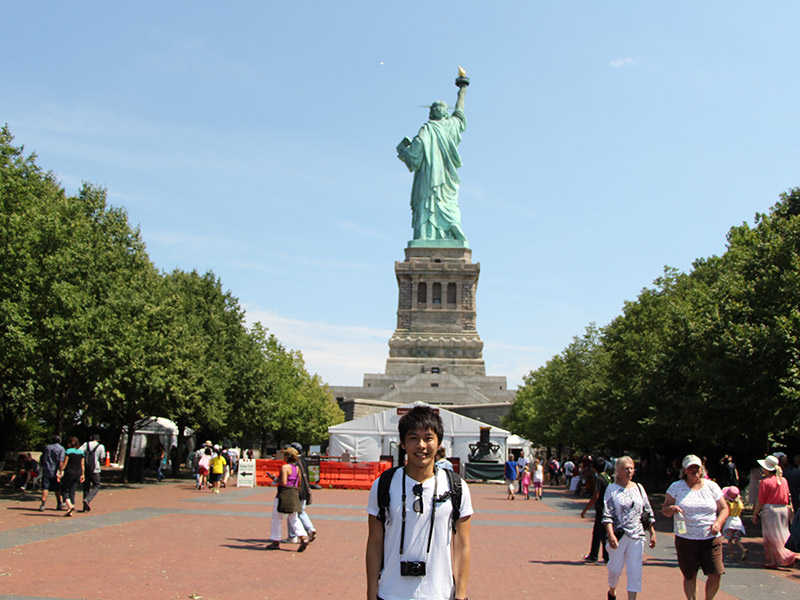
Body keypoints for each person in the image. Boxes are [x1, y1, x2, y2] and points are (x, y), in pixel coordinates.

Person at [366, 405, 472, 600]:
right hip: (391, 593)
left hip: (439, 593)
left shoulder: (457, 486)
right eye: (413, 438)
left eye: (428, 438)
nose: (421, 445)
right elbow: (374, 542)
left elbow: (463, 545)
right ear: (403, 444)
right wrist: (371, 593)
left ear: (439, 443)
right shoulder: (384, 485)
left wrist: (461, 594)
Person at [397, 76, 469, 242]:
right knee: (447, 204)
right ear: (445, 112)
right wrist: (462, 91)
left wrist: (403, 151)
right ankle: (451, 227)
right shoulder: (449, 126)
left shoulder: (427, 129)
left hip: (430, 178)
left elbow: (414, 156)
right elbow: (459, 112)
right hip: (443, 177)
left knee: (431, 201)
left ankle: (428, 234)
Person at [662, 454, 729, 600]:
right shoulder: (676, 487)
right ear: (684, 470)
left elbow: (724, 508)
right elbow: (665, 509)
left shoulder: (712, 486)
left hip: (710, 538)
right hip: (686, 538)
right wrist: (671, 509)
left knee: (716, 573)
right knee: (690, 575)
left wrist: (718, 523)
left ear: (702, 469)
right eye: (691, 468)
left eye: (697, 467)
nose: (695, 471)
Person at [602, 456, 656, 600]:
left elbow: (647, 510)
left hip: (637, 535)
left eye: (632, 468)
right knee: (615, 569)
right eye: (626, 468)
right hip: (619, 535)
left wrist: (652, 532)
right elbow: (607, 514)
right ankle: (612, 591)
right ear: (618, 471)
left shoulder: (638, 487)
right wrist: (610, 534)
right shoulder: (611, 489)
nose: (630, 471)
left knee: (634, 570)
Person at [752, 454, 796, 568]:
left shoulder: (765, 482)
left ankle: (773, 560)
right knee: (784, 533)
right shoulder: (783, 480)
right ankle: (787, 554)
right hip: (783, 509)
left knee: (770, 537)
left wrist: (755, 513)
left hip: (770, 510)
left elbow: (760, 500)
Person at [266, 447, 309, 552]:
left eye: (285, 455)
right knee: (294, 518)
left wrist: (274, 478)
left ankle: (276, 541)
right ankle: (303, 537)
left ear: (287, 456)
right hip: (293, 493)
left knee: (277, 517)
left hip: (283, 494)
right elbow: (298, 484)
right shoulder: (297, 468)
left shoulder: (285, 467)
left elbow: (283, 482)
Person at [581, 456, 613, 563]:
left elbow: (596, 496)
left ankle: (607, 556)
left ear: (594, 468)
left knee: (603, 533)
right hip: (606, 507)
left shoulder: (599, 479)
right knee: (597, 532)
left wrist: (585, 509)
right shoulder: (607, 477)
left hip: (601, 508)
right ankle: (593, 555)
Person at [285, 442, 317, 544]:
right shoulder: (304, 461)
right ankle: (310, 528)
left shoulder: (294, 463)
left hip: (296, 490)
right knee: (301, 511)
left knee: (292, 513)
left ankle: (292, 536)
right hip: (304, 490)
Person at [59, 437, 85, 517]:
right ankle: (71, 508)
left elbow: (65, 463)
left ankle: (69, 505)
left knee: (63, 490)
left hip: (69, 472)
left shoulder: (68, 451)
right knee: (72, 491)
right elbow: (82, 464)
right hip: (78, 473)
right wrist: (83, 474)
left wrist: (60, 471)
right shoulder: (81, 452)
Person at [39, 436, 65, 511]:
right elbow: (61, 461)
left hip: (47, 470)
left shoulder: (47, 448)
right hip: (55, 471)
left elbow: (43, 458)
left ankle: (43, 504)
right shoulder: (61, 449)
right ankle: (59, 503)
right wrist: (61, 471)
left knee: (45, 487)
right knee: (57, 488)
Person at [721, 486, 747, 561]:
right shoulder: (739, 504)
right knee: (737, 539)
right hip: (738, 522)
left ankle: (731, 553)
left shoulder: (728, 504)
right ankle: (743, 549)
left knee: (729, 539)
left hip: (730, 522)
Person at [80, 433, 105, 511]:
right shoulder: (100, 446)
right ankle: (88, 499)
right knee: (96, 485)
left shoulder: (85, 444)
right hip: (95, 469)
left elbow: (80, 452)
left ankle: (84, 507)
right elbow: (101, 458)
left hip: (86, 468)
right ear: (98, 439)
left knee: (86, 486)